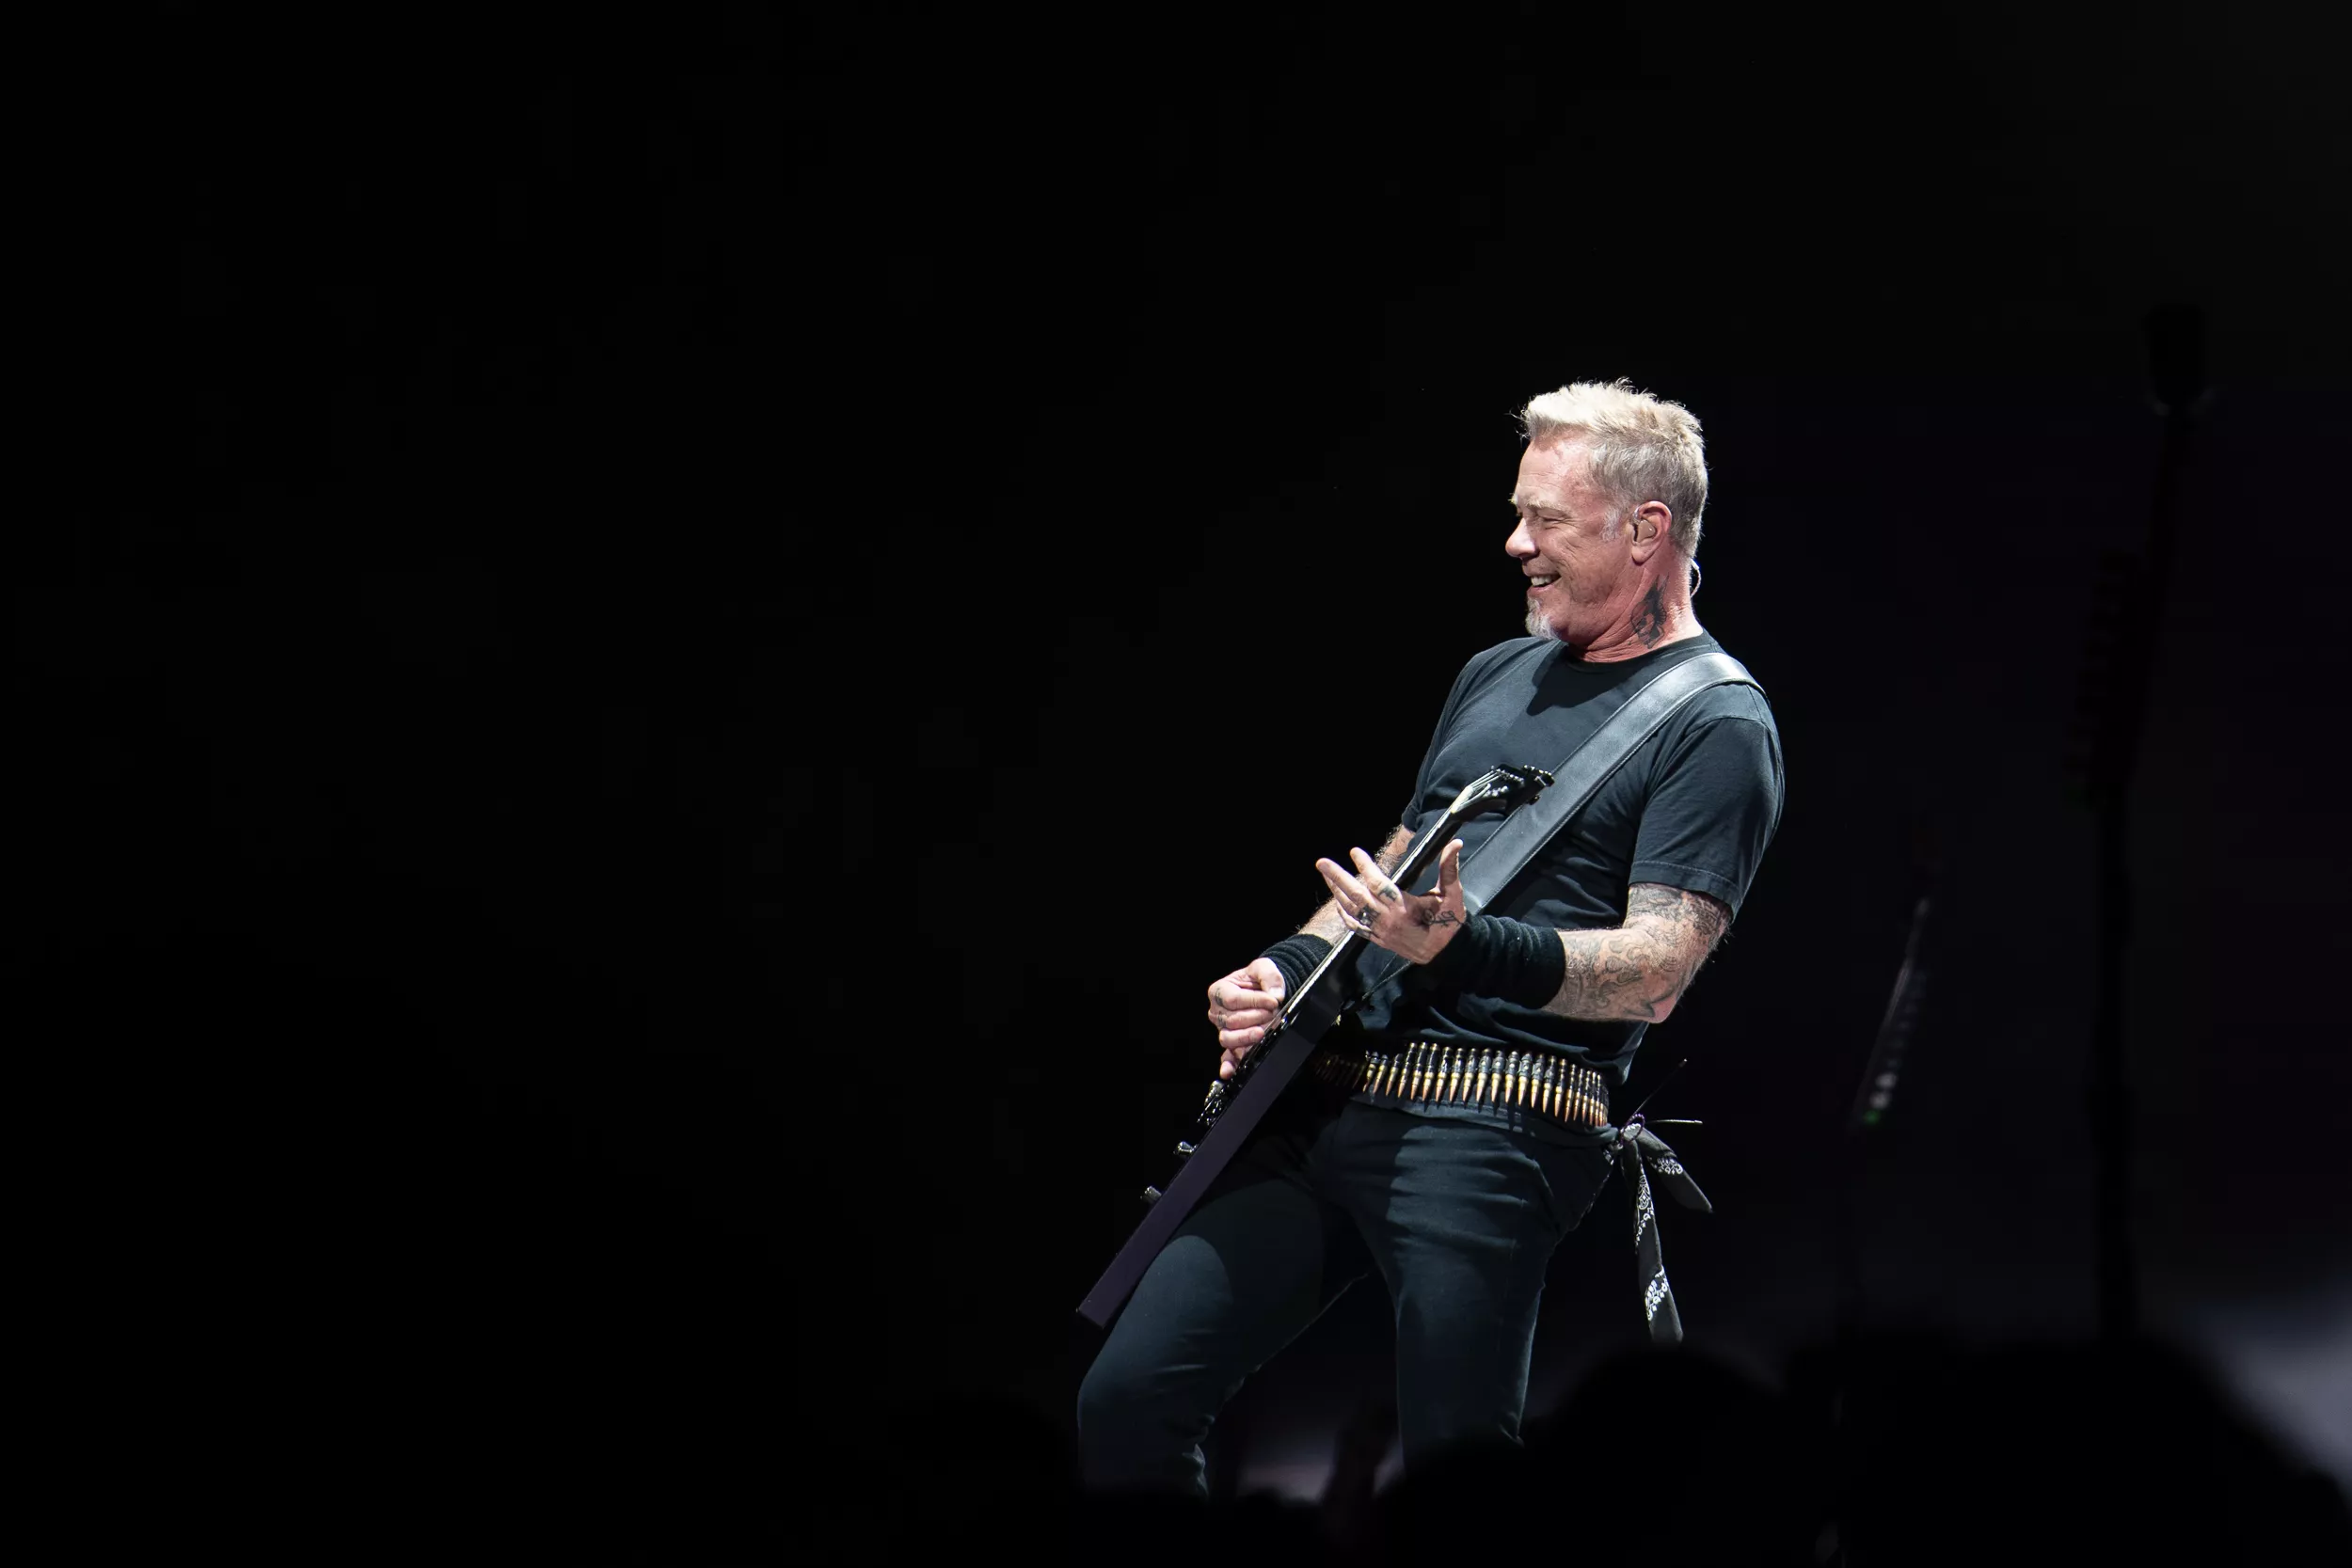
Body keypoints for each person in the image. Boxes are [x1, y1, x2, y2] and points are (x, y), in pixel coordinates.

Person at [1075, 380, 1786, 1496]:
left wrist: (1462, 948)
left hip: (1495, 1127)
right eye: (1518, 514)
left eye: (1546, 518)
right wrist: (1285, 969)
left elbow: (1655, 971)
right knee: (1124, 1400)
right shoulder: (1495, 672)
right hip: (1334, 1094)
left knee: (1457, 1472)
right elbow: (1394, 872)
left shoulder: (1718, 722)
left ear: (1646, 528)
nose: (1516, 543)